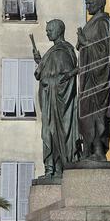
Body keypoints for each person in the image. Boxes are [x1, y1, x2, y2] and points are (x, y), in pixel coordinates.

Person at [70, 0, 110, 162]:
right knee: (84, 113)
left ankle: (98, 151)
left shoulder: (103, 23)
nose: (87, 6)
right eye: (86, 3)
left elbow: (104, 52)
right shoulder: (91, 24)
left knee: (97, 113)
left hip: (99, 78)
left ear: (99, 5)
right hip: (87, 77)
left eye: (90, 3)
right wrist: (82, 43)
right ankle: (87, 150)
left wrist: (85, 43)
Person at [33, 19, 80, 178]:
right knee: (48, 133)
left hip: (58, 105)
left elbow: (64, 79)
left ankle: (56, 168)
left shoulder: (63, 51)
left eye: (49, 30)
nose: (47, 33)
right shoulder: (52, 52)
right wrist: (40, 63)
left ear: (59, 30)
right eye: (46, 30)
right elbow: (46, 74)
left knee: (55, 134)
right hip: (49, 102)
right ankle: (50, 168)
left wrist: (49, 82)